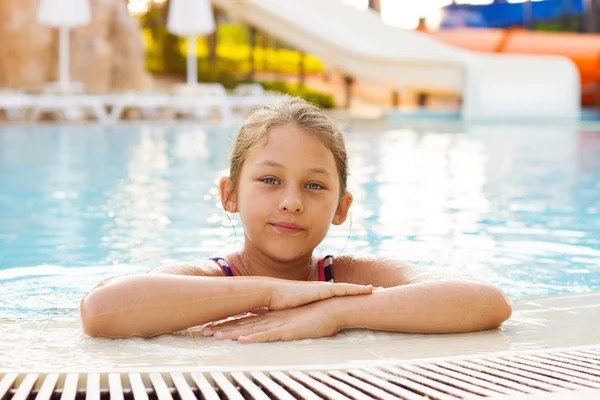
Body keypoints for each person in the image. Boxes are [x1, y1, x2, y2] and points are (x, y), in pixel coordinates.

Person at [80, 97, 512, 342]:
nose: (291, 202)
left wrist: (335, 313)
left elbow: (487, 302)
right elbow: (102, 310)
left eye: (314, 186)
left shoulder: (342, 277)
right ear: (229, 195)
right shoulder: (208, 278)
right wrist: (273, 292)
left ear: (341, 208)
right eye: (270, 179)